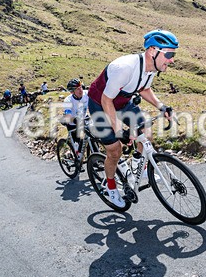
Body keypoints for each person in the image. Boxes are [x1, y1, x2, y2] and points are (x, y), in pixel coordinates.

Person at [87, 29, 177, 207]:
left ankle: (138, 166)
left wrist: (161, 106)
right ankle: (111, 187)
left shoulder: (151, 68)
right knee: (114, 150)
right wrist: (119, 130)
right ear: (153, 50)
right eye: (169, 54)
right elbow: (106, 100)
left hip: (122, 103)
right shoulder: (126, 67)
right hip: (100, 105)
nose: (172, 59)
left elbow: (143, 89)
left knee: (146, 130)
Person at [61, 78, 89, 155]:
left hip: (84, 119)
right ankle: (76, 157)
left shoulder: (86, 94)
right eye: (77, 89)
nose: (80, 90)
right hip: (73, 123)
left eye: (80, 87)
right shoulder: (68, 100)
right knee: (78, 145)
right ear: (72, 92)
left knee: (92, 135)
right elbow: (68, 115)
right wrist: (75, 120)